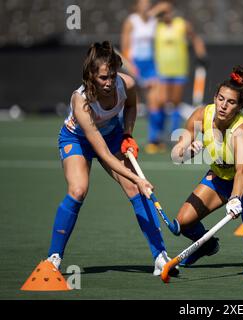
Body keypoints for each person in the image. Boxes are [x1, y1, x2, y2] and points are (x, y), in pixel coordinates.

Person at [46, 41, 177, 277]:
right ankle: (53, 258)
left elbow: (131, 107)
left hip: (113, 134)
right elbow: (104, 154)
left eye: (112, 76)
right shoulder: (81, 102)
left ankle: (160, 257)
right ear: (91, 76)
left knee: (135, 191)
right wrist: (138, 178)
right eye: (103, 78)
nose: (109, 83)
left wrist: (128, 133)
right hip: (77, 139)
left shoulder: (126, 84)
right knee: (78, 190)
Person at [170, 66, 243, 276]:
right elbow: (175, 154)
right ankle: (206, 245)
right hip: (223, 171)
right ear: (215, 97)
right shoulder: (201, 115)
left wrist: (235, 198)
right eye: (220, 99)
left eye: (231, 102)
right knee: (183, 222)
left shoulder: (242, 130)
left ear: (240, 107)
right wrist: (186, 152)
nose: (223, 106)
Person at [145, 0, 207, 154]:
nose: (166, 14)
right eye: (163, 12)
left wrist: (201, 53)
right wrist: (158, 9)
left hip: (178, 71)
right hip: (162, 73)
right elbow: (145, 17)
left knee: (174, 104)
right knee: (158, 103)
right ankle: (155, 138)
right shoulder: (155, 26)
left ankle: (175, 137)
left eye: (168, 11)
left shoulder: (181, 24)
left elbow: (195, 38)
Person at [121, 0, 167, 138]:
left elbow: (165, 6)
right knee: (140, 101)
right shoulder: (131, 21)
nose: (146, 6)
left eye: (148, 3)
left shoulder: (153, 20)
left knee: (159, 99)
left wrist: (151, 12)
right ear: (136, 6)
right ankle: (153, 138)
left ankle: (157, 136)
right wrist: (130, 66)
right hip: (135, 64)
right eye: (142, 4)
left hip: (151, 64)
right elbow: (124, 47)